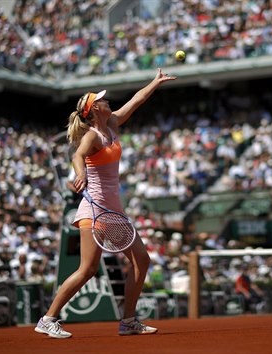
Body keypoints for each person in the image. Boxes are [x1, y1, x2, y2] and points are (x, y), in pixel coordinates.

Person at [35, 68, 176, 338]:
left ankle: (128, 321)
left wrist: (155, 83)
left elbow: (136, 100)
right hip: (95, 210)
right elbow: (78, 155)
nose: (107, 101)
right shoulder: (91, 136)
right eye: (102, 100)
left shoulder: (111, 125)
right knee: (87, 269)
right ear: (94, 109)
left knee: (142, 261)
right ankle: (48, 318)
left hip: (114, 212)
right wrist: (81, 172)